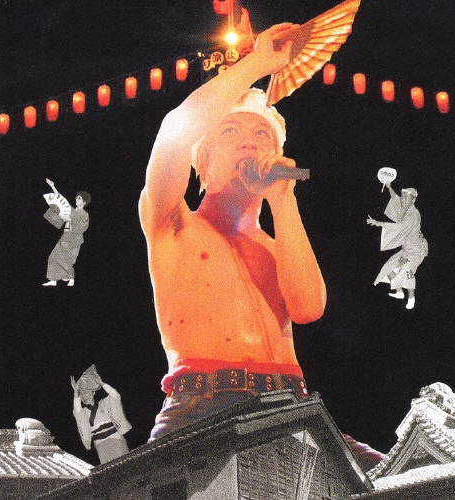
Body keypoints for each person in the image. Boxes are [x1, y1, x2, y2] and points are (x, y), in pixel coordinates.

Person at [139, 23, 384, 470]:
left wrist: (283, 201)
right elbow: (176, 130)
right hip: (205, 406)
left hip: (290, 407)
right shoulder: (173, 222)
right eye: (230, 133)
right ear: (202, 162)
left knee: (401, 480)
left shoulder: (275, 245)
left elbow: (309, 308)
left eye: (261, 136)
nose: (249, 144)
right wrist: (257, 65)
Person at [367, 184, 428, 309]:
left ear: (413, 200)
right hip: (407, 249)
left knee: (407, 270)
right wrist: (389, 186)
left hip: (417, 251)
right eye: (403, 197)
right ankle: (399, 292)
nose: (403, 199)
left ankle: (411, 298)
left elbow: (401, 228)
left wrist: (379, 223)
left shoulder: (413, 215)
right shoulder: (404, 208)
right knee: (389, 267)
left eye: (407, 197)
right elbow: (395, 198)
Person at [71, 365, 131, 464]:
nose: (84, 396)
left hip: (117, 441)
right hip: (101, 446)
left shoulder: (104, 403)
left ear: (93, 393)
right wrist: (76, 395)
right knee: (109, 471)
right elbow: (77, 411)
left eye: (86, 392)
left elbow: (115, 396)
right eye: (81, 394)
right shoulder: (84, 412)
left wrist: (102, 383)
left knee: (125, 466)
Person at [42, 178, 90, 287]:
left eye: (79, 198)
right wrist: (53, 186)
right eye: (76, 197)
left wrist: (70, 220)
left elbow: (83, 227)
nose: (76, 199)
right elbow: (61, 200)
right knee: (54, 256)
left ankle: (71, 279)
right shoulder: (72, 210)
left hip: (74, 240)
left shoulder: (84, 214)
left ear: (84, 202)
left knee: (68, 261)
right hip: (65, 237)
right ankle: (53, 280)